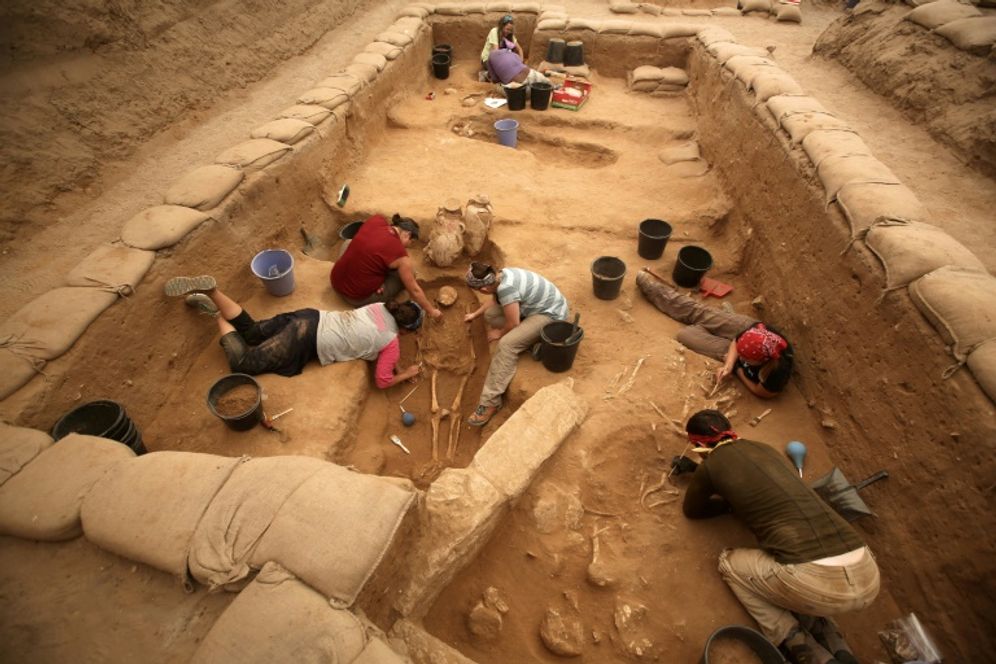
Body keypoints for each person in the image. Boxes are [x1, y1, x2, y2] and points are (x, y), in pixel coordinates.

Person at [679, 410, 879, 664]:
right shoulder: (765, 449)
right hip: (867, 571)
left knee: (730, 564)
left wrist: (727, 503)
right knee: (796, 571)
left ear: (699, 445)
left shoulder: (711, 465)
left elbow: (693, 510)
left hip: (815, 579)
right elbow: (748, 479)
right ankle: (834, 642)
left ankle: (797, 643)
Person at [165, 275, 423, 388]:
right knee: (244, 363)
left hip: (309, 316)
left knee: (252, 332)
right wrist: (406, 373)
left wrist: (397, 365)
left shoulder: (380, 306)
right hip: (305, 339)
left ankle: (213, 291)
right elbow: (382, 381)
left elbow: (381, 339)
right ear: (405, 330)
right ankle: (215, 314)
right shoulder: (391, 342)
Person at [636, 270, 793, 397]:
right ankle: (654, 290)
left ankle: (715, 325)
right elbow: (737, 342)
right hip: (744, 327)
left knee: (685, 335)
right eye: (741, 352)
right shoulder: (753, 335)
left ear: (760, 360)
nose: (740, 354)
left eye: (744, 356)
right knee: (699, 312)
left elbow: (759, 391)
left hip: (738, 353)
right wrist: (729, 365)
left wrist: (737, 369)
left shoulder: (776, 376)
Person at [463, 262, 569, 426]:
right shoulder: (499, 276)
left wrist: (499, 333)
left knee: (506, 344)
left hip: (550, 315)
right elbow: (494, 301)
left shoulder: (506, 289)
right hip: (532, 308)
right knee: (490, 315)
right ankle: (531, 339)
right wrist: (474, 315)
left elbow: (513, 323)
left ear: (483, 288)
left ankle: (490, 402)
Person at [330, 213, 442, 320]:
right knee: (408, 275)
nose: (408, 246)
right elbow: (414, 290)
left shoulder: (377, 220)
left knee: (349, 243)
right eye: (411, 242)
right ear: (407, 234)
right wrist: (432, 311)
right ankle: (374, 291)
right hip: (355, 297)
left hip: (335, 280)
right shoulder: (400, 255)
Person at [481, 15, 552, 89]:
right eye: (507, 29)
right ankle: (486, 74)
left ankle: (491, 74)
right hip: (488, 59)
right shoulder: (494, 31)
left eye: (510, 30)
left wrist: (520, 61)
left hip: (504, 59)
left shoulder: (510, 37)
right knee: (501, 73)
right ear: (502, 26)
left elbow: (519, 49)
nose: (508, 32)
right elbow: (496, 52)